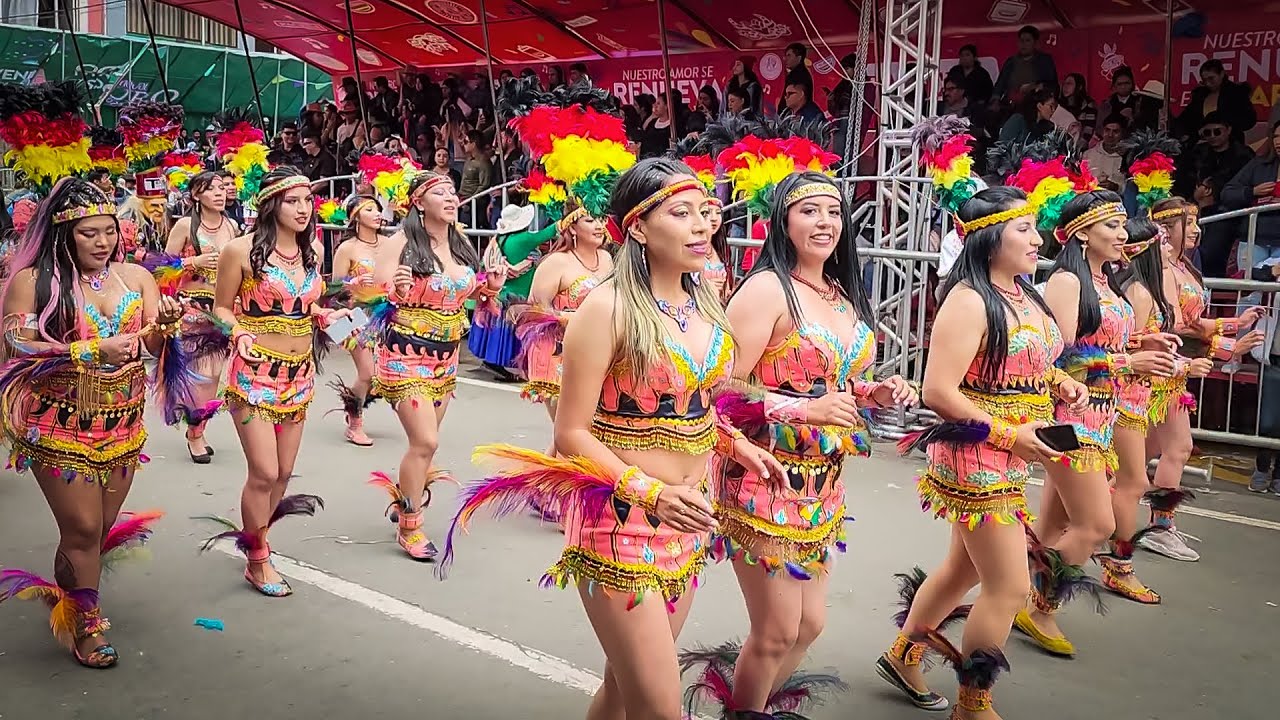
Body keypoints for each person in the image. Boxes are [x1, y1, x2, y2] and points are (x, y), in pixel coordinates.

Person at [438, 158, 780, 720]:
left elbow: (693, 401)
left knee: (623, 690)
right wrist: (649, 493)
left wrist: (732, 443)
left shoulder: (707, 307)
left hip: (686, 523)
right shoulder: (607, 308)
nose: (701, 226)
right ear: (639, 228)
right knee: (659, 707)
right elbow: (570, 433)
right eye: (681, 213)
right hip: (620, 521)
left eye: (706, 212)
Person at [703, 171, 915, 713]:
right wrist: (802, 408)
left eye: (834, 212)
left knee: (809, 626)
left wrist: (875, 391)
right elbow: (719, 387)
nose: (825, 223)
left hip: (823, 485)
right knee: (776, 630)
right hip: (761, 477)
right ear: (783, 222)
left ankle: (753, 706)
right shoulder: (766, 289)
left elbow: (835, 383)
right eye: (809, 211)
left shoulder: (840, 293)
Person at [0, 179, 184, 667]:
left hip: (122, 422)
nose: (102, 242)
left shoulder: (136, 277)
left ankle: (67, 595)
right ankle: (87, 625)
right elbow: (17, 345)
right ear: (64, 234)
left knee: (96, 531)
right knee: (82, 528)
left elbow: (152, 348)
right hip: (55, 421)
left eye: (108, 232)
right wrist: (86, 350)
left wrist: (166, 325)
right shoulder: (34, 281)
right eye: (89, 233)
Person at [1017, 190, 1177, 656]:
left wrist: (1147, 340)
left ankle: (1010, 598)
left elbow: (1104, 342)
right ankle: (1039, 604)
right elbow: (1063, 357)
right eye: (1111, 226)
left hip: (1103, 416)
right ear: (1082, 233)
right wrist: (1132, 362)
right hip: (1071, 418)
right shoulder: (1068, 281)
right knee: (1096, 524)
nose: (1123, 235)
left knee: (1053, 525)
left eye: (1124, 225)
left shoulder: (1106, 283)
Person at [200, 167, 334, 596]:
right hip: (253, 373)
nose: (303, 209)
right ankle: (257, 560)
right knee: (264, 470)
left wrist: (323, 314)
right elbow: (221, 308)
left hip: (299, 374)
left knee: (285, 472)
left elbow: (308, 302)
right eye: (293, 201)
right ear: (272, 204)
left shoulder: (312, 248)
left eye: (307, 201)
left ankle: (257, 536)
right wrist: (236, 332)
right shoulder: (239, 251)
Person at [366, 171, 504, 561]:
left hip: (445, 359)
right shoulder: (402, 243)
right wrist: (396, 289)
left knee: (422, 448)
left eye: (452, 192)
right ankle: (410, 526)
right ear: (418, 203)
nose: (450, 198)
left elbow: (470, 294)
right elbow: (373, 291)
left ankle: (405, 497)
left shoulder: (459, 246)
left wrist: (489, 285)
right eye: (439, 193)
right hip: (404, 355)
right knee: (426, 441)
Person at [1144, 197, 1265, 561]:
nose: (1197, 229)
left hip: (1175, 368)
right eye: (1190, 222)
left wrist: (1233, 331)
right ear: (1166, 230)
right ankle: (1159, 528)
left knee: (1142, 453)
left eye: (1197, 221)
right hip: (1164, 369)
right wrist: (1229, 336)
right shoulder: (1164, 271)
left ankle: (1092, 509)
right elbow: (1175, 324)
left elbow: (1194, 325)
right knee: (1178, 448)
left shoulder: (1183, 268)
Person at [1107, 215, 1210, 604]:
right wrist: (1183, 364)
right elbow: (1125, 350)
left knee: (1124, 479)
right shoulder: (1140, 292)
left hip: (1138, 395)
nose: (1170, 249)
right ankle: (1118, 558)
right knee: (1128, 481)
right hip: (1125, 396)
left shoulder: (1150, 287)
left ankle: (1091, 545)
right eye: (1163, 243)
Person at [162, 171, 239, 462]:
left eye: (222, 188)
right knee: (202, 376)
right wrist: (192, 261)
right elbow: (162, 266)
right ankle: (195, 432)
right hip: (192, 308)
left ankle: (197, 427)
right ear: (196, 196)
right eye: (212, 189)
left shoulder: (231, 226)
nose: (220, 193)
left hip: (221, 308)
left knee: (215, 375)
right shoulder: (184, 226)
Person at [328, 194, 391, 447]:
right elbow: (334, 289)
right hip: (354, 317)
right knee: (367, 373)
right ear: (355, 217)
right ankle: (355, 423)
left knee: (382, 376)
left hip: (386, 316)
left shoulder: (390, 244)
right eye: (369, 210)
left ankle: (354, 404)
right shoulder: (347, 248)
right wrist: (352, 283)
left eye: (378, 209)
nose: (377, 214)